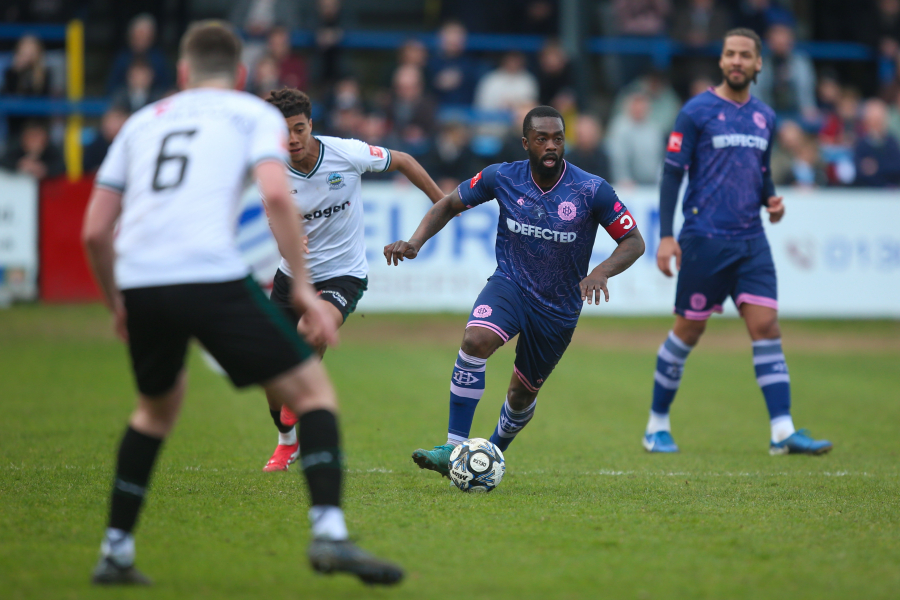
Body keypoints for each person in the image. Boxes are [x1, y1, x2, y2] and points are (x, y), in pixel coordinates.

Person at [82, 21, 403, 586]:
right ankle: (330, 534)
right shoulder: (251, 115)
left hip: (141, 278)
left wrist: (116, 304)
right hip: (207, 275)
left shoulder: (138, 123)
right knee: (312, 390)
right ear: (240, 76)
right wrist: (302, 283)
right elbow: (277, 194)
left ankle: (116, 551)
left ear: (181, 74)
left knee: (153, 411)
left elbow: (94, 232)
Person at [384, 106, 645, 477]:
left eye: (558, 138)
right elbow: (448, 205)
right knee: (475, 340)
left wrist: (601, 272)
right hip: (511, 285)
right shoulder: (501, 176)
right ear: (526, 143)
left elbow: (633, 241)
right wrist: (415, 242)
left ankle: (490, 453)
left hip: (558, 308)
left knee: (521, 396)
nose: (551, 146)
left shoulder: (591, 189)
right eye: (542, 139)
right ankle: (454, 448)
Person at [644, 28, 832, 456]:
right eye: (730, 53)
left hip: (751, 240)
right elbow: (672, 173)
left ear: (758, 63)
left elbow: (762, 171)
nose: (736, 61)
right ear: (721, 60)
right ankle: (656, 425)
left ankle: (782, 432)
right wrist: (667, 237)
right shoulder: (696, 111)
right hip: (704, 239)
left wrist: (771, 201)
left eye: (745, 55)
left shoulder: (766, 116)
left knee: (766, 326)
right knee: (688, 331)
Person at [261, 87, 445, 472]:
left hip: (343, 275)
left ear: (311, 125)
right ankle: (286, 441)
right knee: (271, 374)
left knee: (312, 326)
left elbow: (405, 160)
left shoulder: (346, 153)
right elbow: (273, 216)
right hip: (292, 276)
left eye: (299, 129)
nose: (292, 139)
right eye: (284, 132)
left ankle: (298, 399)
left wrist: (442, 201)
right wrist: (288, 237)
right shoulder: (270, 167)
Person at [0, 119, 65, 180]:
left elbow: (61, 165)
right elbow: (4, 161)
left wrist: (44, 168)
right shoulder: (15, 146)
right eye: (31, 136)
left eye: (37, 136)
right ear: (24, 137)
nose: (35, 141)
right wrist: (20, 164)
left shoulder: (51, 149)